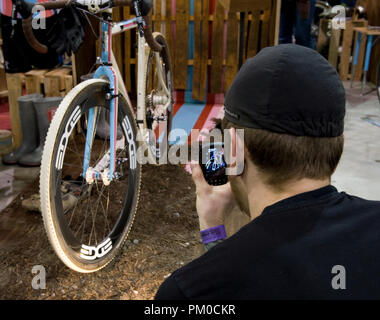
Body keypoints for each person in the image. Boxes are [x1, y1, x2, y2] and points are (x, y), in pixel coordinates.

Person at [155, 44, 380, 300]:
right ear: (339, 145)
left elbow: (233, 280)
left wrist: (212, 228)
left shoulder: (189, 290)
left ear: (234, 150)